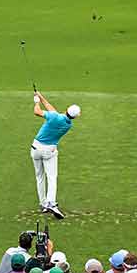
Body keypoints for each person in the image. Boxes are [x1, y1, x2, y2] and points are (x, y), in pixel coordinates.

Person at [31, 91, 80, 220]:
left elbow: (37, 112)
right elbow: (52, 111)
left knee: (39, 176)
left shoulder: (54, 117)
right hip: (49, 151)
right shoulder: (68, 124)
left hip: (35, 148)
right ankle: (51, 203)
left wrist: (36, 101)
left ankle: (43, 204)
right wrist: (41, 97)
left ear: (66, 109)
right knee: (51, 177)